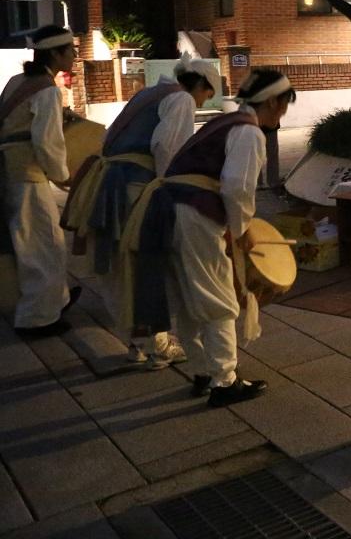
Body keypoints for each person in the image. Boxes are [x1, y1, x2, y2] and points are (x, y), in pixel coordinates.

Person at [122, 68, 293, 406]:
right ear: (272, 101)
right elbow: (237, 187)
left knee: (189, 298)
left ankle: (203, 371)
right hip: (194, 215)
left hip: (168, 210)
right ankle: (224, 381)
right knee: (217, 298)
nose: (284, 112)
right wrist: (241, 231)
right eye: (285, 104)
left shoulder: (222, 122)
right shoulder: (248, 132)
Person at [62, 55, 219, 367]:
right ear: (199, 85)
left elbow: (108, 138)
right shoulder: (180, 99)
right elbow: (167, 149)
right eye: (205, 95)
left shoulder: (147, 94)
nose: (200, 103)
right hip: (136, 192)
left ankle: (139, 342)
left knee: (120, 268)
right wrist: (170, 190)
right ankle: (154, 343)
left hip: (109, 185)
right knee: (144, 266)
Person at [0, 25, 81, 337]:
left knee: (37, 242)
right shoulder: (47, 89)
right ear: (56, 54)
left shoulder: (18, 81)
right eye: (70, 51)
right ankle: (37, 318)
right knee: (43, 245)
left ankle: (55, 300)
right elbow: (47, 142)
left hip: (9, 171)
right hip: (28, 176)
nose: (74, 55)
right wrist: (62, 176)